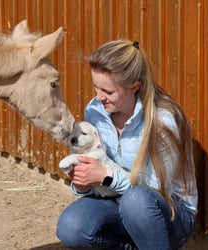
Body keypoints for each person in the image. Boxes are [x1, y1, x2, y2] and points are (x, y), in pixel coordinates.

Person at [56, 39, 198, 250]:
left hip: (170, 212)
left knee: (136, 201)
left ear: (135, 87)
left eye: (108, 92)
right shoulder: (95, 110)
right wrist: (84, 184)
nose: (98, 97)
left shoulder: (164, 121)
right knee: (71, 226)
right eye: (96, 87)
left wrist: (106, 176)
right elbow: (98, 178)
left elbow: (158, 191)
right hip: (117, 201)